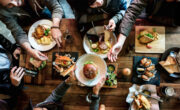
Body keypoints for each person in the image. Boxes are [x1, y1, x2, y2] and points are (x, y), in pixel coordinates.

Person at [0, 0, 74, 61]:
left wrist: (55, 26)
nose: (16, 4)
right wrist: (29, 50)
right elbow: (17, 33)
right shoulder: (2, 11)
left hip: (48, 7)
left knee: (69, 22)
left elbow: (56, 8)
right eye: (9, 5)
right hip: (30, 19)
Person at [108, 0, 180, 62]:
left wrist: (156, 19)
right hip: (149, 15)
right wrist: (120, 41)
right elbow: (133, 11)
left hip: (171, 26)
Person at [24, 70, 105, 110]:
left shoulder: (40, 107)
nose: (45, 108)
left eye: (41, 108)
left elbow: (55, 96)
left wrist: (68, 82)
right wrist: (95, 93)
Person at [0, 34, 25, 109]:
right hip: (18, 64)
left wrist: (12, 48)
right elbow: (14, 93)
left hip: (12, 45)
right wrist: (15, 84)